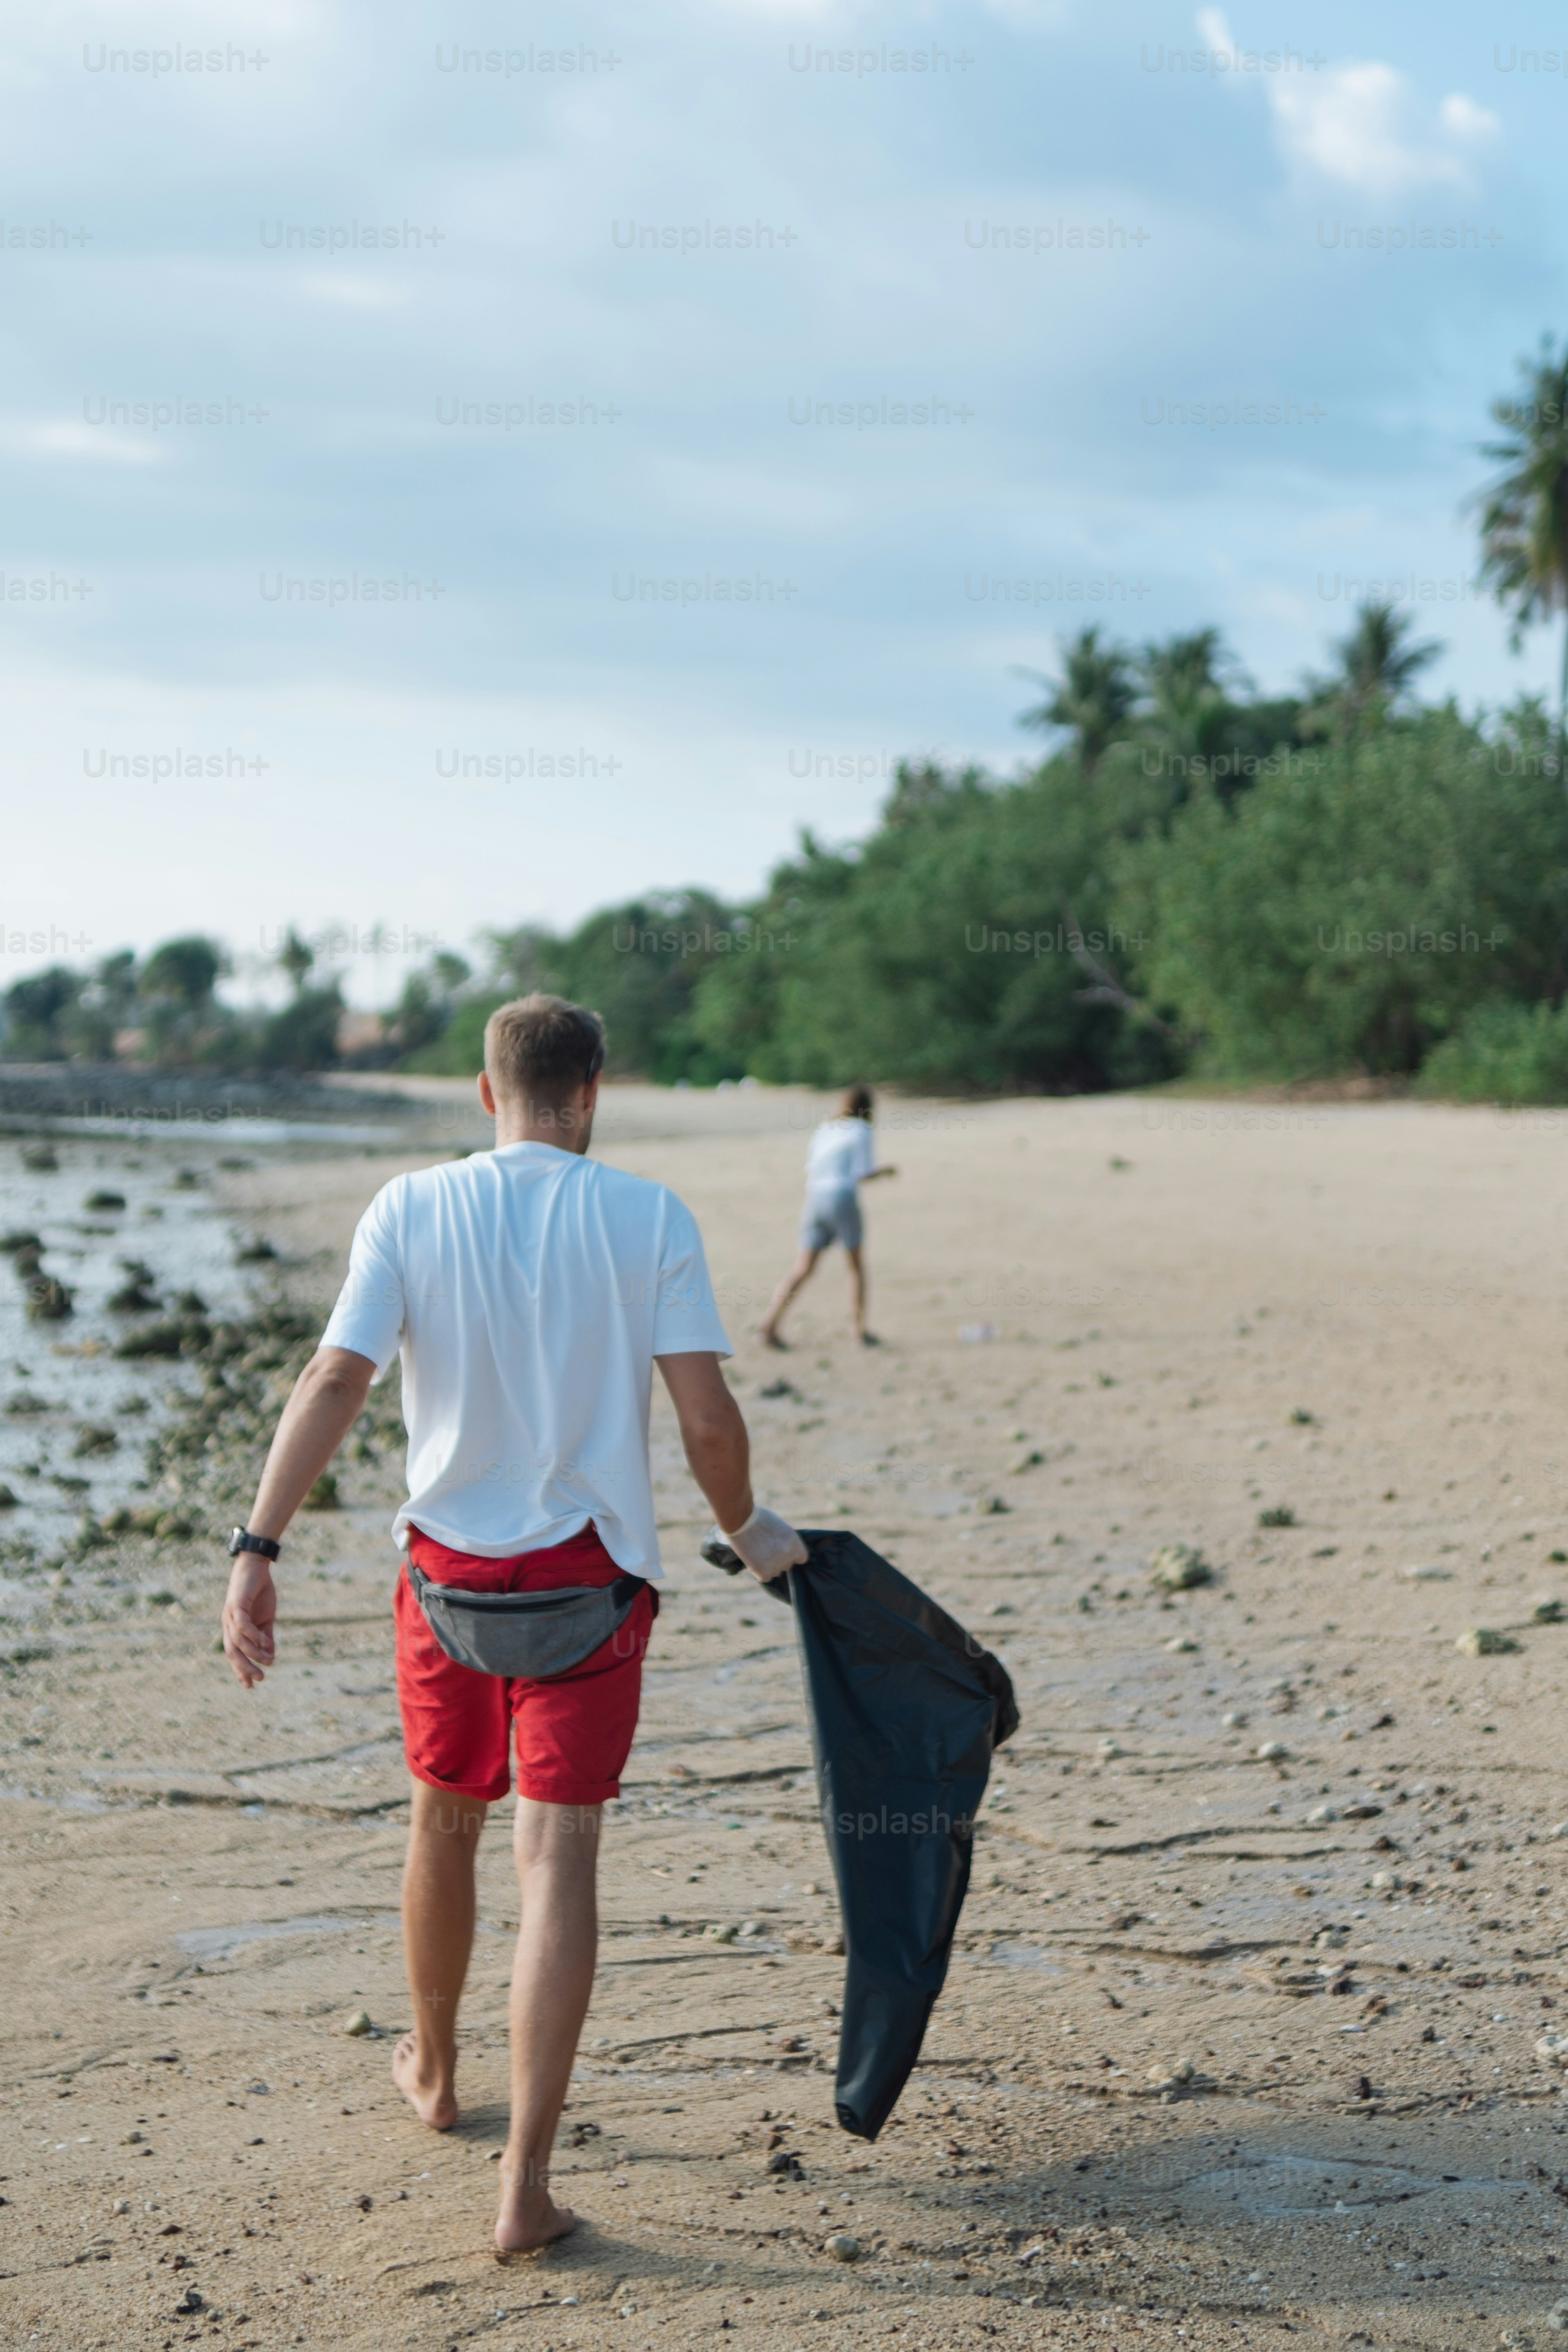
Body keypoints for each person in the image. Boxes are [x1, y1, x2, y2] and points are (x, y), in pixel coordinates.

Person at [219, 994, 806, 2256]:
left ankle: (433, 2072)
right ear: (592, 1089)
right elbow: (707, 1419)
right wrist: (751, 1528)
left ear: (487, 1095)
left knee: (443, 1820)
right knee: (561, 1858)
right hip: (588, 1591)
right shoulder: (648, 1214)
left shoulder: (411, 1204)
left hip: (446, 1587)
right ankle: (524, 2187)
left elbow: (335, 1377)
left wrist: (258, 1545)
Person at [760, 1083, 897, 1349]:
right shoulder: (861, 1130)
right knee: (855, 1267)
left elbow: (811, 1168)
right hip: (841, 1197)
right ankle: (859, 1331)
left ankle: (770, 1324)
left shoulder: (825, 1129)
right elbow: (862, 1173)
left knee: (803, 1268)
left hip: (815, 1198)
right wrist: (886, 1172)